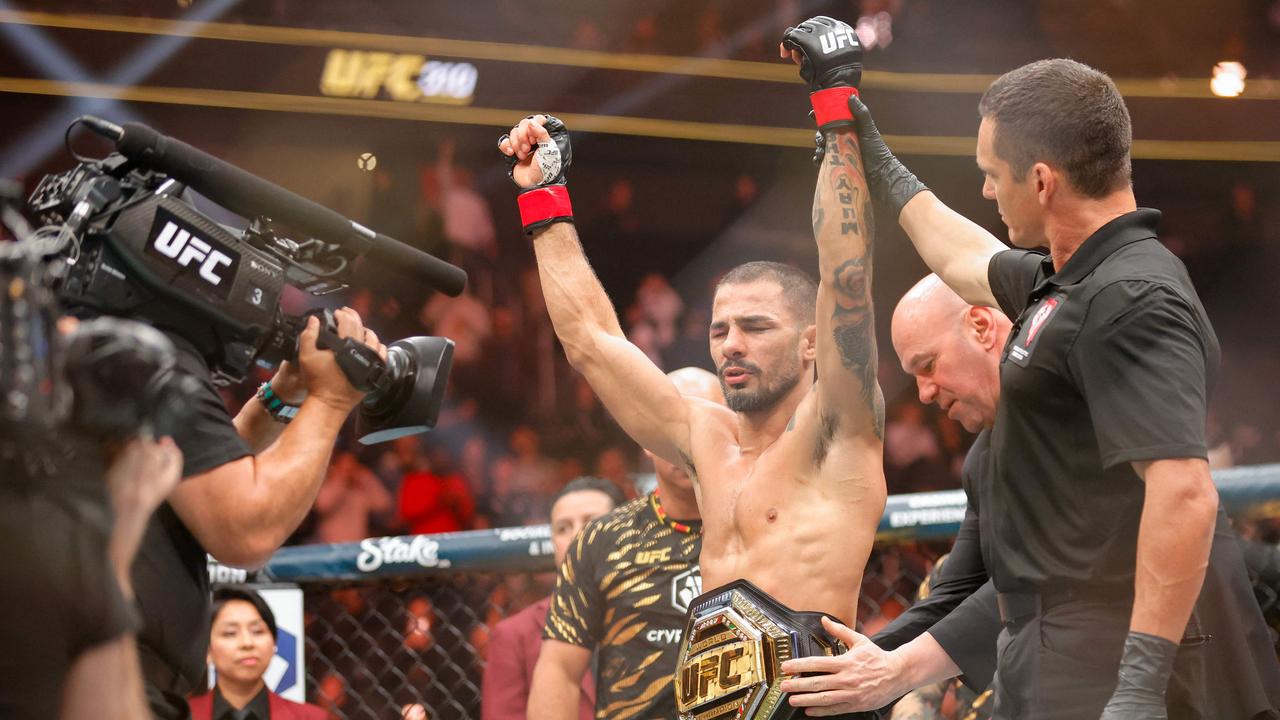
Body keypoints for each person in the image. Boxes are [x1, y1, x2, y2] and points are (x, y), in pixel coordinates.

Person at [505, 16, 885, 715]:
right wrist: (543, 198)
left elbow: (848, 275)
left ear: (811, 343)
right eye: (719, 329)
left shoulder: (837, 429)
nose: (730, 344)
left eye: (755, 327)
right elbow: (590, 339)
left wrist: (835, 106)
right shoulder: (702, 437)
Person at [783, 276, 1280, 718]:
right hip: (1084, 684)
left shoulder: (1080, 411)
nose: (924, 394)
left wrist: (898, 670)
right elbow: (956, 591)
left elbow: (1032, 584)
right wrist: (841, 670)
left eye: (928, 365)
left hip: (1193, 679)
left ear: (982, 327)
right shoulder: (986, 457)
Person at [132, 306, 386, 718]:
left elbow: (206, 477)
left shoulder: (104, 352)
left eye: (254, 631)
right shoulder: (147, 355)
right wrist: (333, 398)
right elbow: (245, 530)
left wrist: (285, 393)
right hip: (107, 679)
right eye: (232, 631)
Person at [527, 368, 724, 719]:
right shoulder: (602, 539)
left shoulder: (769, 525)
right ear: (646, 437)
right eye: (672, 422)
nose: (688, 438)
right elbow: (559, 669)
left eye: (703, 420)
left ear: (733, 429)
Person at [481, 476, 625, 720]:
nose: (577, 536)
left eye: (592, 522)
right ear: (553, 543)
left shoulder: (660, 612)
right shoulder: (513, 635)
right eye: (563, 528)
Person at [188, 587, 327, 720]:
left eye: (257, 631)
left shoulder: (312, 717)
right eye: (230, 633)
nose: (247, 643)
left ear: (274, 644)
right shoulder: (181, 717)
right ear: (206, 650)